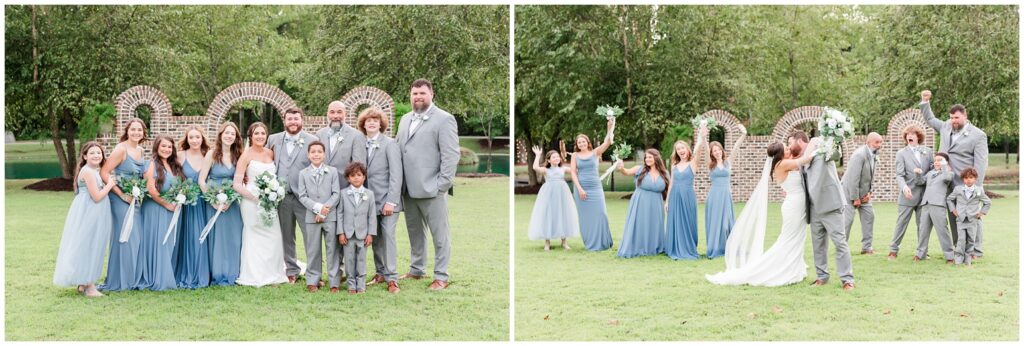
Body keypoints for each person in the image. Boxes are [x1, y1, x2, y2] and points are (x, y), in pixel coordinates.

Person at [706, 141, 816, 286]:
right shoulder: (781, 164)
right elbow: (805, 159)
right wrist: (816, 143)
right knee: (788, 239)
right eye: (786, 148)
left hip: (797, 204)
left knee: (797, 238)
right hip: (793, 206)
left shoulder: (784, 162)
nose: (789, 148)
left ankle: (794, 268)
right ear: (780, 154)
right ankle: (777, 270)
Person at [395, 79, 459, 290]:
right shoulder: (405, 119)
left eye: (422, 93)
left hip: (432, 189)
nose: (418, 97)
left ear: (432, 94)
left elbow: (450, 155)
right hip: (408, 190)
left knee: (439, 235)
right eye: (414, 93)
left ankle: (441, 276)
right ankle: (416, 269)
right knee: (415, 233)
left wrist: (442, 186)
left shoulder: (444, 119)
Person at [919, 90, 989, 258]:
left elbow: (981, 162)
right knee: (953, 216)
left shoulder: (978, 135)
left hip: (966, 183)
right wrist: (925, 101)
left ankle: (975, 251)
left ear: (965, 116)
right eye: (951, 117)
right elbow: (929, 119)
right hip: (946, 182)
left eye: (956, 118)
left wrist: (975, 187)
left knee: (971, 217)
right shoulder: (945, 127)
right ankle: (960, 247)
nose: (953, 121)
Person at [791, 130, 855, 291]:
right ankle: (822, 276)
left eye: (790, 142)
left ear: (799, 141)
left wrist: (821, 140)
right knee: (818, 245)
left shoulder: (822, 150)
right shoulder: (802, 161)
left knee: (840, 242)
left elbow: (836, 153)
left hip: (830, 205)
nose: (789, 146)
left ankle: (847, 279)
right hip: (813, 208)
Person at [53, 142, 116, 297]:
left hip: (93, 212)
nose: (96, 156)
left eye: (99, 153)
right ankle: (89, 287)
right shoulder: (88, 172)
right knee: (89, 246)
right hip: (90, 212)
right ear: (85, 156)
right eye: (92, 153)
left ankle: (83, 283)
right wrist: (110, 185)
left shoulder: (94, 171)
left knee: (89, 245)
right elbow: (96, 197)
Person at [266, 108, 318, 283]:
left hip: (305, 197)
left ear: (302, 120)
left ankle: (314, 272)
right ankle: (291, 270)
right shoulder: (273, 139)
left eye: (296, 119)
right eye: (290, 119)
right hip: (282, 197)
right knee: (286, 236)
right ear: (284, 120)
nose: (293, 122)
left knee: (310, 236)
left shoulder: (312, 140)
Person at [234, 122, 289, 287]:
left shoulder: (271, 153)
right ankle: (254, 274)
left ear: (267, 136)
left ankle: (274, 272)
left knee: (273, 235)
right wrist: (253, 197)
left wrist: (275, 192)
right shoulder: (245, 155)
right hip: (251, 201)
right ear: (250, 136)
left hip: (270, 200)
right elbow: (236, 184)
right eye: (256, 133)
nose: (260, 136)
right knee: (254, 235)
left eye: (262, 134)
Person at [98, 118, 147, 292]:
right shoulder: (121, 149)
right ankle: (120, 280)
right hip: (120, 199)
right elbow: (104, 172)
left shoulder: (140, 150)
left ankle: (132, 277)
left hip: (135, 199)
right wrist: (121, 194)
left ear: (143, 132)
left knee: (136, 237)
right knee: (124, 236)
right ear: (127, 131)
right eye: (133, 130)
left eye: (139, 130)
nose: (136, 133)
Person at [359, 108, 403, 294]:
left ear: (381, 124)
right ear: (363, 124)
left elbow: (396, 174)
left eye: (375, 120)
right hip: (368, 201)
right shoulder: (360, 143)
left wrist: (391, 201)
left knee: (388, 237)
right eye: (368, 120)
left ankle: (392, 278)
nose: (371, 123)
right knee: (375, 238)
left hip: (387, 201)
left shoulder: (390, 144)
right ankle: (380, 273)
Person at [198, 122, 244, 286]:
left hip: (232, 203)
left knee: (233, 237)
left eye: (233, 134)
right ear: (220, 135)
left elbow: (239, 181)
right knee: (216, 238)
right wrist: (213, 201)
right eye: (227, 133)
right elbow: (202, 181)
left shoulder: (238, 155)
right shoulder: (211, 154)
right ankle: (217, 272)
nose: (229, 136)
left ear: (236, 137)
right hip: (213, 201)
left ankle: (233, 271)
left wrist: (230, 200)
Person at [136, 135, 182, 291]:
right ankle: (156, 277)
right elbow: (151, 189)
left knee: (167, 243)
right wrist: (167, 204)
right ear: (156, 147)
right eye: (163, 146)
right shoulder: (151, 165)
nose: (167, 149)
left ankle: (165, 274)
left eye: (169, 147)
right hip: (155, 208)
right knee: (158, 242)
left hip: (171, 209)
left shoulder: (173, 165)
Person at [296, 141, 342, 293]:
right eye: (313, 152)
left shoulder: (333, 171)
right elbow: (302, 196)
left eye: (319, 151)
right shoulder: (303, 173)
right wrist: (317, 209)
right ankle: (312, 280)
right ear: (308, 155)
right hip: (311, 217)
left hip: (330, 217)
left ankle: (334, 281)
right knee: (313, 249)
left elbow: (336, 193)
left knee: (332, 249)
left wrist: (324, 211)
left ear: (324, 154)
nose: (316, 154)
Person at [569, 118, 615, 252]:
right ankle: (591, 243)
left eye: (583, 141)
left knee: (601, 213)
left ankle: (603, 242)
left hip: (595, 188)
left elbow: (607, 142)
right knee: (586, 217)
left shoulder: (595, 152)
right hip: (581, 189)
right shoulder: (575, 156)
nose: (582, 143)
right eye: (579, 142)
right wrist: (580, 189)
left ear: (587, 142)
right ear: (577, 144)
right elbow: (573, 173)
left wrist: (610, 127)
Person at [174, 125, 211, 289]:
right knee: (186, 237)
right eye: (191, 137)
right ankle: (185, 272)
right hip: (186, 202)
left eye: (198, 137)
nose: (195, 140)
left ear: (202, 138)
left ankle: (201, 273)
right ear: (187, 139)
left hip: (203, 202)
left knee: (201, 237)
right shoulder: (181, 155)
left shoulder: (208, 155)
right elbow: (173, 176)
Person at [888, 125, 932, 260]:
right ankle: (893, 251)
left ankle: (922, 252)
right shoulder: (901, 153)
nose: (909, 136)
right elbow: (899, 175)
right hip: (908, 195)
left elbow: (931, 171)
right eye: (907, 134)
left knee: (922, 225)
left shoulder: (928, 151)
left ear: (918, 136)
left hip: (924, 195)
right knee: (901, 223)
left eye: (912, 134)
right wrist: (904, 187)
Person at [703, 124, 747, 259]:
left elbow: (735, 148)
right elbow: (705, 149)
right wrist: (704, 137)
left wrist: (743, 134)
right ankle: (715, 248)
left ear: (722, 150)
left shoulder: (728, 162)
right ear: (711, 153)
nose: (717, 152)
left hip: (726, 196)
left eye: (718, 150)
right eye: (714, 151)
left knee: (727, 223)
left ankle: (729, 247)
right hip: (714, 196)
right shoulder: (710, 164)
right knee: (716, 223)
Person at [615, 149, 668, 258]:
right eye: (646, 157)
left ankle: (654, 247)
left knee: (654, 224)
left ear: (656, 158)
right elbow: (626, 172)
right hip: (640, 201)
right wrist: (621, 168)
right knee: (640, 223)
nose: (647, 159)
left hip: (657, 203)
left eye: (650, 157)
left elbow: (670, 188)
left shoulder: (664, 173)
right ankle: (638, 246)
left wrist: (667, 202)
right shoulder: (639, 169)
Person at [527, 146, 579, 251]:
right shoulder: (546, 170)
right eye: (553, 157)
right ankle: (547, 242)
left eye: (557, 157)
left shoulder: (563, 169)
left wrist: (576, 156)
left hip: (562, 194)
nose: (556, 158)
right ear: (549, 160)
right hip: (549, 194)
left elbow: (576, 170)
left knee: (563, 214)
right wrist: (537, 155)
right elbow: (535, 168)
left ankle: (564, 242)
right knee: (548, 215)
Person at [337, 162, 377, 294]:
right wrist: (341, 232)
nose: (356, 178)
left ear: (364, 177)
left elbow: (371, 215)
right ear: (348, 178)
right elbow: (340, 214)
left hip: (363, 234)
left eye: (359, 175)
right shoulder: (343, 194)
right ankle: (351, 285)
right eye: (352, 175)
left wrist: (371, 233)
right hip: (347, 234)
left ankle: (361, 285)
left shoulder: (369, 194)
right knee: (349, 260)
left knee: (361, 259)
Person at [841, 132, 882, 254]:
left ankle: (867, 248)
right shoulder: (859, 155)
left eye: (881, 142)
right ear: (868, 142)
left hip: (864, 194)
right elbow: (853, 178)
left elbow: (870, 176)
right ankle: (842, 248)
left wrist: (870, 192)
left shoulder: (874, 154)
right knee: (847, 221)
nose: (879, 145)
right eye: (877, 142)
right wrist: (855, 198)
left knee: (869, 216)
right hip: (849, 192)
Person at [664, 135, 700, 260]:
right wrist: (667, 201)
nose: (681, 150)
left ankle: (688, 248)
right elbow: (671, 184)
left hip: (688, 196)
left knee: (688, 221)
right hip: (674, 196)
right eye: (678, 149)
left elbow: (699, 149)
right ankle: (675, 247)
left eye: (682, 148)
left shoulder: (693, 163)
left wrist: (702, 134)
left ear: (687, 149)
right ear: (676, 152)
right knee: (676, 221)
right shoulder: (674, 166)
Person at [915, 152, 956, 263]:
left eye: (940, 160)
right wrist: (918, 174)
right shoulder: (930, 173)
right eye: (936, 160)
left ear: (945, 162)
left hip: (938, 205)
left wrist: (944, 166)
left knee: (942, 231)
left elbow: (947, 178)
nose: (937, 162)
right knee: (923, 231)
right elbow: (919, 182)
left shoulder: (949, 173)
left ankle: (950, 256)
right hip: (925, 205)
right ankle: (920, 254)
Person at [946, 168, 990, 266]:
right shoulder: (958, 189)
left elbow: (987, 202)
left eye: (971, 178)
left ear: (975, 179)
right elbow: (949, 199)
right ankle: (958, 259)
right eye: (966, 178)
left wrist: (981, 212)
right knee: (961, 240)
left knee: (971, 240)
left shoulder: (978, 190)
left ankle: (968, 260)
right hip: (960, 219)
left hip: (973, 219)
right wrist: (953, 210)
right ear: (963, 179)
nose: (968, 180)